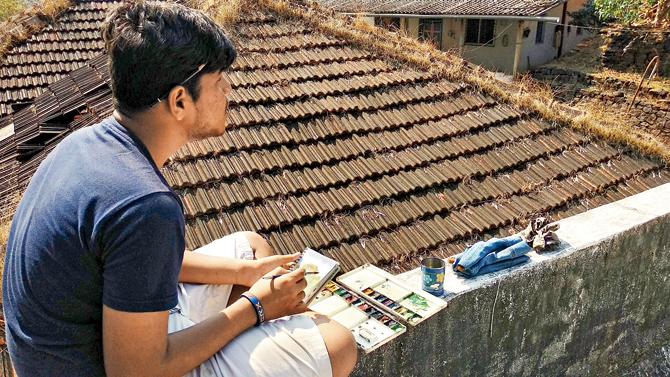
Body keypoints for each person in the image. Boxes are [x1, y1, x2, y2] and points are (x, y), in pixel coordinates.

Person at [1, 2, 357, 376]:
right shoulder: (145, 205)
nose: (229, 89)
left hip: (86, 338)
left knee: (250, 250)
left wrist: (244, 275)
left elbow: (141, 261)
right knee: (338, 344)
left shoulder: (86, 145)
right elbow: (135, 371)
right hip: (105, 364)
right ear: (180, 101)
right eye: (219, 81)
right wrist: (254, 308)